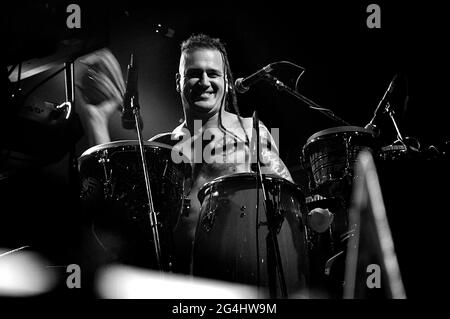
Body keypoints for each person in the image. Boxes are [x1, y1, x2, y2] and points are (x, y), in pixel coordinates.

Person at [77, 33, 293, 274]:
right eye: (193, 74)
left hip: (240, 278)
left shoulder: (252, 132)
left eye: (213, 74)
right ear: (178, 81)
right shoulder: (162, 149)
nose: (204, 81)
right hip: (178, 282)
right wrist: (95, 120)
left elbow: (287, 198)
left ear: (227, 81)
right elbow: (114, 213)